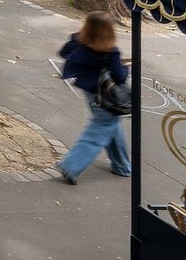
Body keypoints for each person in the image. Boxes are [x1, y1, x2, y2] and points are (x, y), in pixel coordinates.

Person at [56, 11, 132, 184]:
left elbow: (64, 53)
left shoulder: (77, 41)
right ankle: (70, 166)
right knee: (100, 130)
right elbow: (120, 77)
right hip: (107, 96)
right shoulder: (110, 52)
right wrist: (126, 67)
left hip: (90, 93)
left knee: (111, 126)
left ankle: (122, 166)